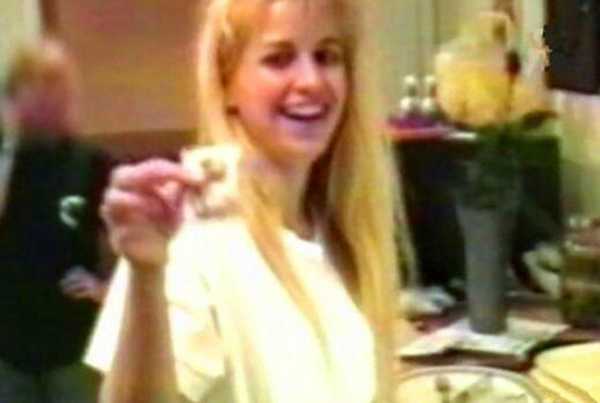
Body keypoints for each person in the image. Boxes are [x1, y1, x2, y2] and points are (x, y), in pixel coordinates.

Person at [85, 0, 412, 402]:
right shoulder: (192, 235)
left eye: (327, 56)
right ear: (226, 84)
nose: (311, 81)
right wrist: (147, 273)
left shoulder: (337, 234)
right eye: (279, 59)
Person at [0, 38, 111, 403]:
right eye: (37, 83)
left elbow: (126, 241)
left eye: (58, 83)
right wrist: (9, 145)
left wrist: (104, 288)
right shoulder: (6, 160)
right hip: (7, 351)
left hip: (74, 348)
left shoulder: (90, 162)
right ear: (15, 93)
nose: (49, 96)